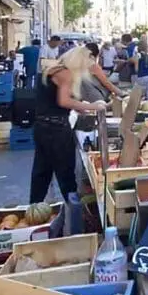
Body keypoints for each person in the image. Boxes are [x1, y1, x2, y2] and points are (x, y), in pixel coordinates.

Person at [31, 47, 103, 203]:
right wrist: (93, 107)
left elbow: (52, 99)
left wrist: (78, 107)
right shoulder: (66, 74)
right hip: (57, 128)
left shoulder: (52, 70)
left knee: (42, 171)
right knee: (65, 173)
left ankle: (34, 206)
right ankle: (74, 210)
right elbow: (63, 101)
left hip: (42, 126)